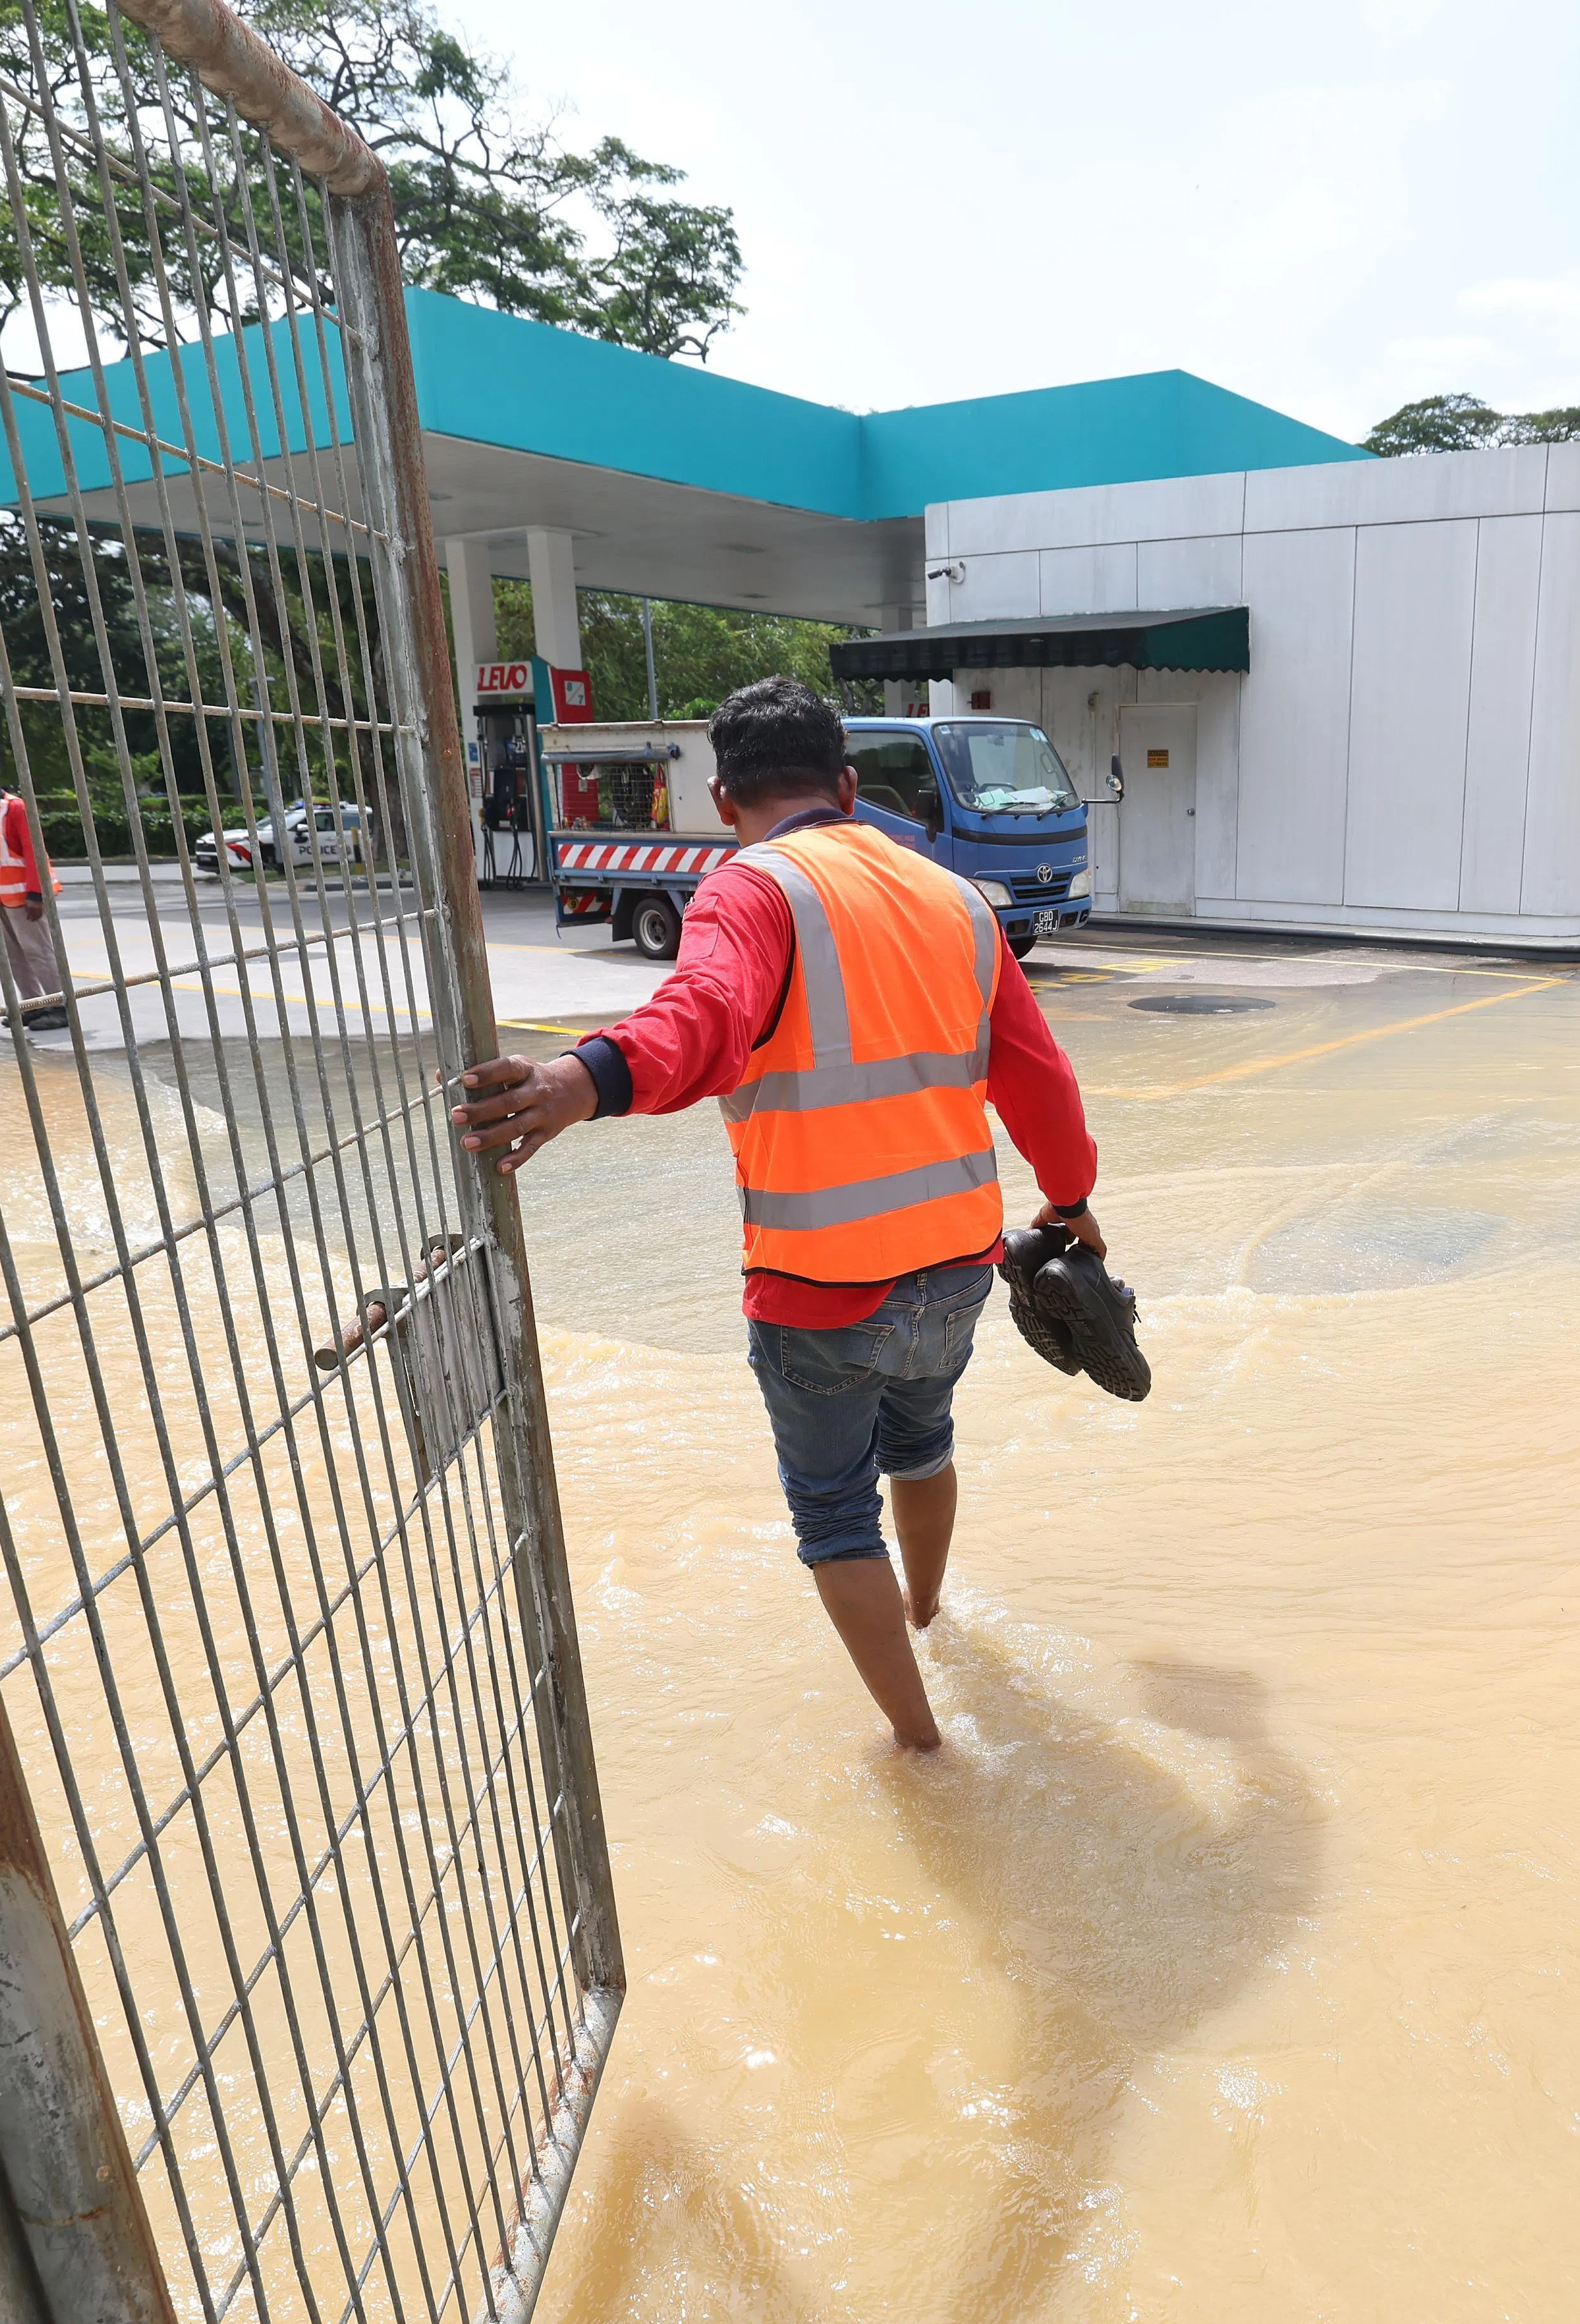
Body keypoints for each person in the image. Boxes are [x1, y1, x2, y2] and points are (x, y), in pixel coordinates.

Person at [450, 678, 1100, 1752]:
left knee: (837, 1518)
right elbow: (1040, 1081)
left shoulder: (751, 891)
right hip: (955, 1267)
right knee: (925, 1445)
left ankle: (922, 1748)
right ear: (849, 787)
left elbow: (705, 1017)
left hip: (819, 1287)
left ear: (720, 794)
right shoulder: (956, 901)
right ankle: (930, 1619)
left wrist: (582, 1080)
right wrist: (1071, 1199)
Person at [0, 756, 67, 1031]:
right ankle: (34, 1005)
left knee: (39, 952)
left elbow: (35, 852)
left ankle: (59, 1007)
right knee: (15, 956)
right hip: (3, 899)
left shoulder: (15, 808)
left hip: (25, 898)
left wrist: (36, 895)